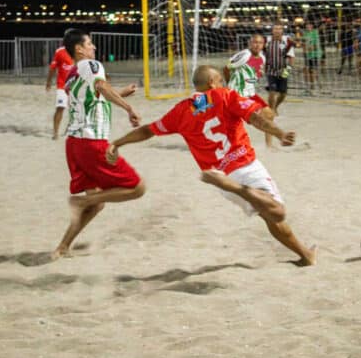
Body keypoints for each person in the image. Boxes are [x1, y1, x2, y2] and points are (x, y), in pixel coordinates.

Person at [106, 65, 317, 266]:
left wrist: (118, 142)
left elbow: (147, 131)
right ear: (212, 82)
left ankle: (305, 254)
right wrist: (279, 133)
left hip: (216, 175)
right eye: (220, 79)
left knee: (268, 215)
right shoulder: (224, 95)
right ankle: (236, 187)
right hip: (243, 167)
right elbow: (254, 118)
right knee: (278, 212)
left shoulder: (180, 111)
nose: (223, 82)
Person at [52, 28, 146, 260]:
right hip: (90, 141)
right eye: (90, 43)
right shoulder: (91, 65)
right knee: (137, 187)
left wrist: (122, 93)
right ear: (79, 49)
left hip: (74, 144)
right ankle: (79, 201)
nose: (94, 47)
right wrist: (129, 108)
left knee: (98, 203)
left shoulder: (73, 73)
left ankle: (62, 247)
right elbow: (102, 87)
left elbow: (95, 97)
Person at [223, 34, 276, 148]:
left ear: (263, 45)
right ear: (250, 43)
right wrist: (229, 85)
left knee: (270, 115)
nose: (257, 45)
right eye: (255, 42)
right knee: (235, 123)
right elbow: (226, 68)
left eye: (260, 43)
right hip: (237, 95)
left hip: (250, 94)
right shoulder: (244, 55)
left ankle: (269, 145)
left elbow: (255, 72)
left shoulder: (262, 57)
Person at [264, 24, 296, 116]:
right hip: (270, 70)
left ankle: (275, 107)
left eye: (279, 29)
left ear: (282, 30)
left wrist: (287, 71)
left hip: (283, 70)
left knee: (283, 93)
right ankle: (271, 110)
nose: (277, 30)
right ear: (272, 30)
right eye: (275, 28)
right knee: (272, 91)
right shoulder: (266, 41)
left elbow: (291, 57)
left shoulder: (287, 42)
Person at [46, 46, 75, 140]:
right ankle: (55, 132)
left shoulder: (79, 49)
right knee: (60, 107)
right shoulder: (59, 51)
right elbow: (52, 68)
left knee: (75, 109)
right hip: (62, 85)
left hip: (75, 86)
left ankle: (69, 130)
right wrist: (49, 82)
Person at [302, 21, 321, 91]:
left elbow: (316, 45)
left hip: (314, 55)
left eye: (309, 24)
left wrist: (309, 48)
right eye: (307, 25)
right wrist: (304, 50)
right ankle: (309, 85)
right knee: (306, 70)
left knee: (311, 70)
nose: (308, 26)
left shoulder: (315, 33)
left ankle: (313, 86)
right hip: (307, 55)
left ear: (312, 25)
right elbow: (303, 43)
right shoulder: (305, 33)